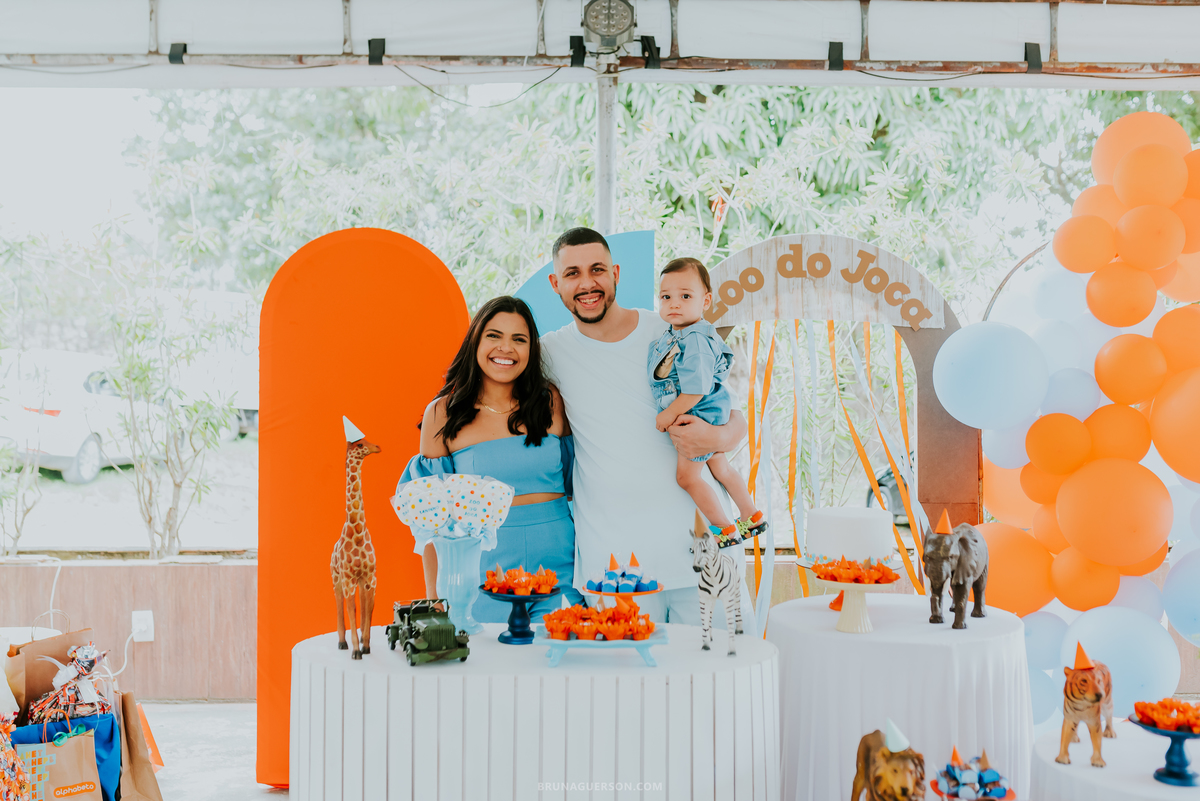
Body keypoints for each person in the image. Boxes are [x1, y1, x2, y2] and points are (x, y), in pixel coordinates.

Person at [540, 227, 750, 624]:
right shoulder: (550, 352)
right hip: (614, 565)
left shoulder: (671, 331)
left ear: (616, 273)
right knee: (626, 685)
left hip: (702, 552)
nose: (587, 284)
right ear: (556, 283)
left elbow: (735, 421)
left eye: (597, 269)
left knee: (724, 675)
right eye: (572, 274)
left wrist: (715, 436)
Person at [399, 295, 582, 622]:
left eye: (519, 339)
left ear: (531, 350)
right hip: (483, 572)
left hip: (560, 565)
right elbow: (430, 523)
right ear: (475, 342)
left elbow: (578, 483)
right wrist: (436, 599)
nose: (506, 348)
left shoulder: (550, 400)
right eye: (494, 336)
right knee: (493, 668)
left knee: (560, 662)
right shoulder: (442, 413)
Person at [650, 257, 767, 548]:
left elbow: (696, 390)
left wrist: (667, 415)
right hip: (709, 411)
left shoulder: (696, 340)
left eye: (685, 296)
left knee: (687, 478)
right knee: (721, 469)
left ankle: (724, 529)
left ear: (706, 301)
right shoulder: (676, 334)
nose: (674, 304)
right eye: (666, 297)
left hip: (699, 410)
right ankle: (752, 515)